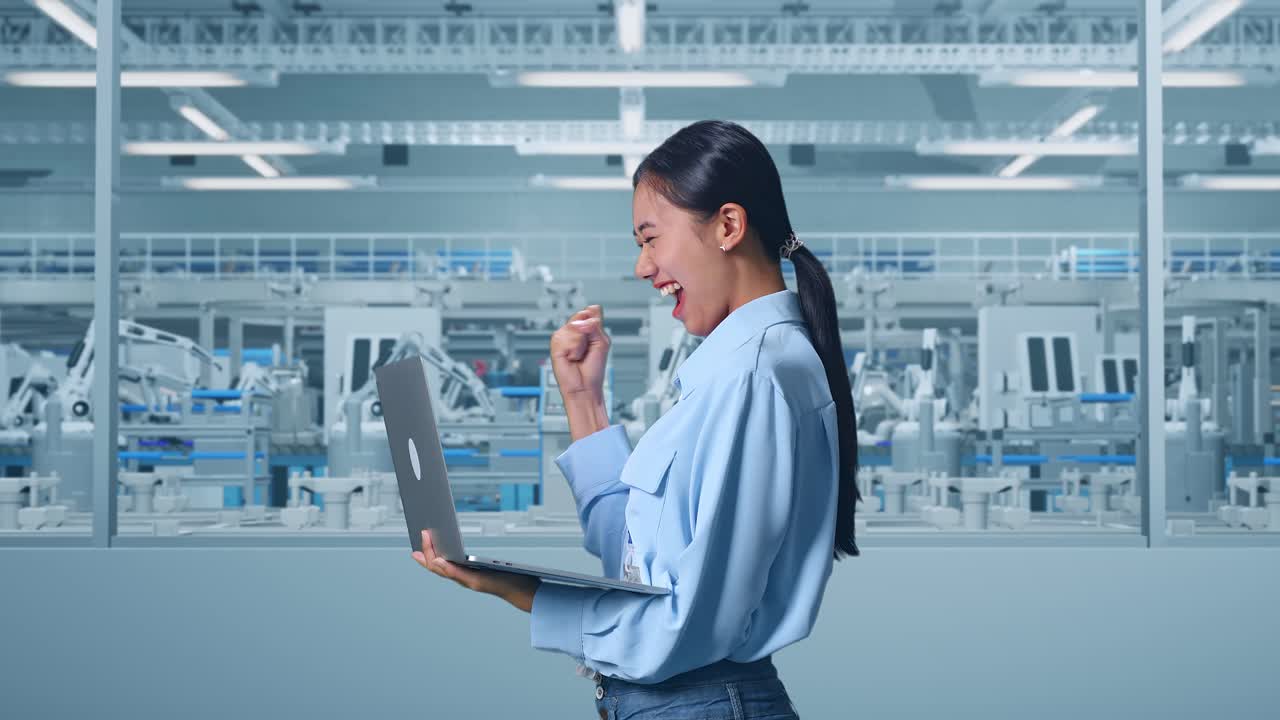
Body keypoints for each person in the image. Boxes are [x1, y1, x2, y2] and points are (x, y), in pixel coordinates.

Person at [412, 120, 860, 719]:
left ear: (728, 226)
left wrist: (523, 591)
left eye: (650, 239)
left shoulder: (753, 375)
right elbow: (636, 563)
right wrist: (584, 400)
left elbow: (689, 625)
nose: (642, 267)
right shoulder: (737, 369)